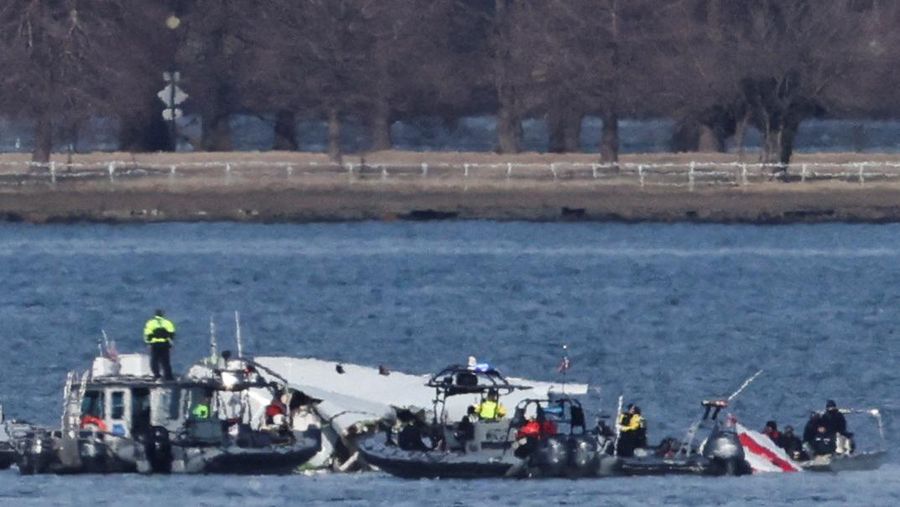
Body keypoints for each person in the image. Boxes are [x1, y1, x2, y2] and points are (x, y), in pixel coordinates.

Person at [143, 309, 176, 380]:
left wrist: (148, 342)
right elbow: (172, 333)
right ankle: (168, 376)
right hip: (165, 344)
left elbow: (147, 334)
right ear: (162, 315)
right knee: (166, 361)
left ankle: (157, 375)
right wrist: (170, 342)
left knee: (154, 360)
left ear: (155, 315)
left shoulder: (150, 323)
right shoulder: (167, 323)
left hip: (155, 344)